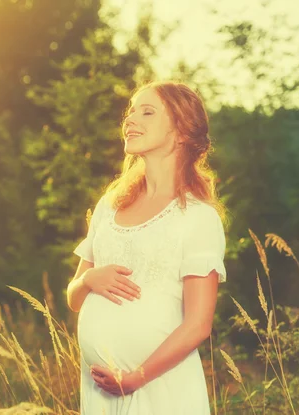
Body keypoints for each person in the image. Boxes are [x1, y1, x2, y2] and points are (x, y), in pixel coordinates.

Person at [66, 80, 227, 414]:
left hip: (160, 389)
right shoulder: (109, 205)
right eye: (131, 111)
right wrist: (88, 280)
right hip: (101, 391)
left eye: (147, 111)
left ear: (181, 131)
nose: (130, 119)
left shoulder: (197, 217)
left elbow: (198, 324)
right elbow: (74, 299)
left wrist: (135, 378)